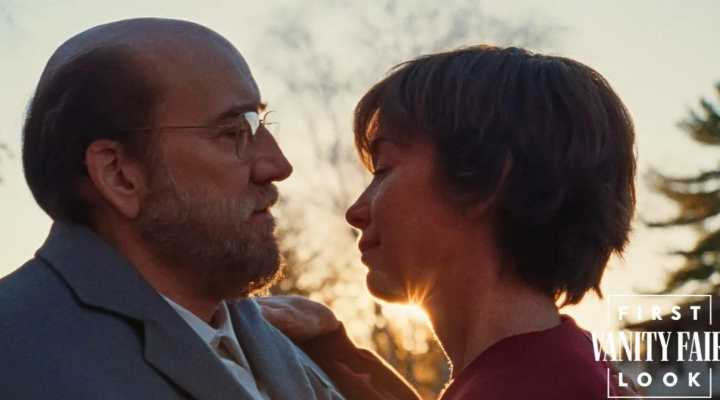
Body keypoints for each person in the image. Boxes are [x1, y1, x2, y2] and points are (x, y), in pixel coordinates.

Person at [0, 18, 418, 400]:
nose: (277, 165)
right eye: (233, 132)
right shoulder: (18, 354)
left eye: (259, 125)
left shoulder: (295, 345)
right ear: (119, 174)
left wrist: (343, 359)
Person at [343, 45, 636, 399]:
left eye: (383, 170)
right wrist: (337, 355)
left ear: (483, 180)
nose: (355, 211)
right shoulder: (564, 372)